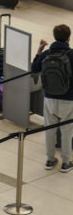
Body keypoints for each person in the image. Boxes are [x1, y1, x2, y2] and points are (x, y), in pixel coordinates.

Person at [31, 24, 73, 173]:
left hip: (49, 98)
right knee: (67, 132)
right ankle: (66, 162)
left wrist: (39, 50)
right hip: (68, 99)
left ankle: (50, 160)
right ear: (69, 38)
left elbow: (34, 69)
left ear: (54, 37)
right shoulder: (71, 55)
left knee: (49, 130)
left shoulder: (47, 54)